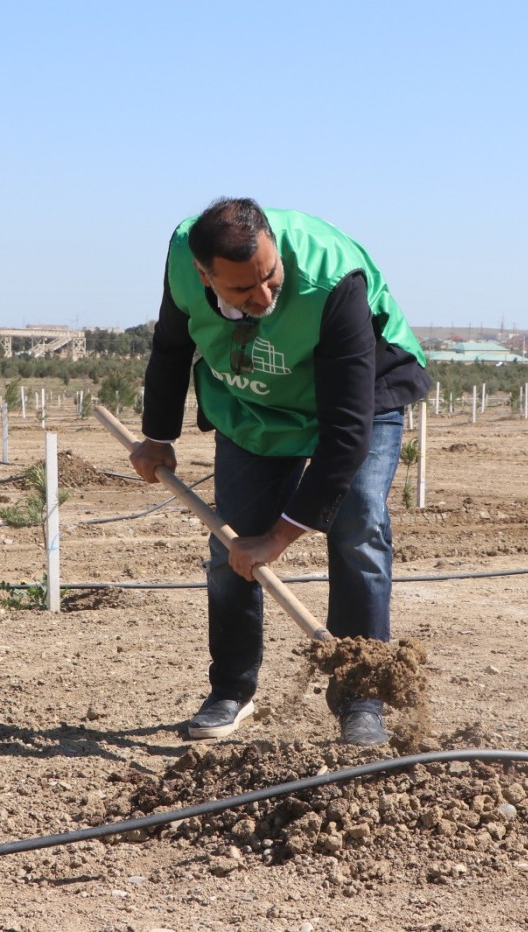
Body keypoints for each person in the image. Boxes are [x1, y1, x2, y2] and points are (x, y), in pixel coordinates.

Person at [130, 198, 430, 747]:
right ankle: (232, 690)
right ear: (204, 275)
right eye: (243, 291)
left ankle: (360, 698)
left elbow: (345, 435)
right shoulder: (182, 257)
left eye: (270, 278)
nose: (264, 297)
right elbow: (173, 344)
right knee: (231, 546)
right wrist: (158, 435)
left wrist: (279, 537)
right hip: (256, 405)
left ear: (273, 246)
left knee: (357, 524)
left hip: (359, 395)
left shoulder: (332, 279)